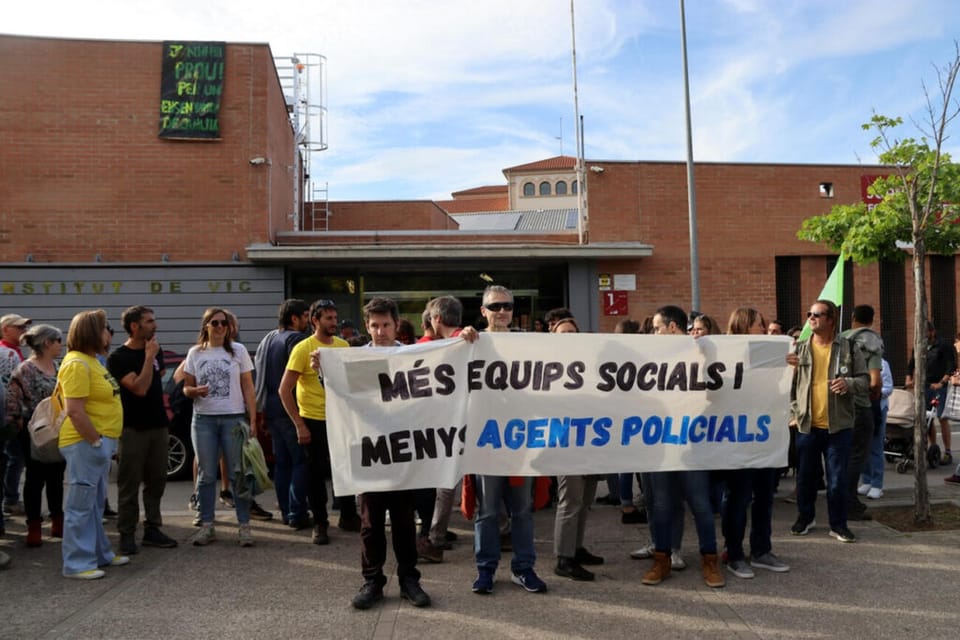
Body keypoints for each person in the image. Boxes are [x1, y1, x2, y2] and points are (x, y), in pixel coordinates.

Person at [331, 297, 431, 610]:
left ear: (396, 324)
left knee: (403, 520)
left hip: (402, 451)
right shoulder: (359, 358)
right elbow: (344, 395)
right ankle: (372, 581)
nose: (380, 331)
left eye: (385, 324)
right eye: (374, 325)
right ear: (367, 326)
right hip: (371, 450)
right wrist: (325, 371)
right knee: (371, 521)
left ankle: (409, 579)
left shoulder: (412, 356)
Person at [641, 305, 725, 588]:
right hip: (660, 444)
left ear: (672, 328)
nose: (654, 333)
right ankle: (661, 559)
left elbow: (721, 388)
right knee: (662, 504)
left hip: (692, 443)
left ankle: (709, 561)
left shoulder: (700, 353)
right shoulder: (650, 358)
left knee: (700, 504)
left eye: (657, 327)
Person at [472, 285, 547, 595]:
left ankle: (523, 568)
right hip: (486, 441)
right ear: (483, 311)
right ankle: (486, 570)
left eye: (508, 306)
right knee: (488, 511)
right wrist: (460, 338)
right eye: (495, 306)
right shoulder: (471, 343)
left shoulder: (526, 344)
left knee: (522, 510)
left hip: (520, 442)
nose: (502, 311)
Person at [787, 299, 869, 543]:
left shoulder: (848, 348)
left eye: (817, 314)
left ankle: (838, 524)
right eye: (809, 313)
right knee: (805, 478)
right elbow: (790, 387)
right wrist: (794, 413)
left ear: (831, 319)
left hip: (838, 426)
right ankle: (805, 518)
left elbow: (865, 381)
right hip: (806, 425)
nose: (811, 318)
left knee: (836, 480)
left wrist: (849, 383)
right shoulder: (799, 349)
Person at [280, 299, 360, 545]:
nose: (334, 323)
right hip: (313, 419)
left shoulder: (343, 345)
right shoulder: (303, 348)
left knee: (345, 470)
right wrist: (299, 425)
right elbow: (284, 390)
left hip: (341, 419)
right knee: (315, 476)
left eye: (335, 318)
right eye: (328, 318)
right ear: (315, 320)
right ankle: (321, 522)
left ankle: (348, 516)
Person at [720, 308, 790, 579]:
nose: (764, 329)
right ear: (743, 326)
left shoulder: (770, 355)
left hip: (764, 437)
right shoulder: (726, 355)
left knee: (764, 496)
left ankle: (761, 550)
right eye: (759, 325)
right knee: (738, 497)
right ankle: (734, 553)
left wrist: (788, 366)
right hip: (738, 439)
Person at [58, 309, 128, 579]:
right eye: (103, 328)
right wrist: (96, 441)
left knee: (95, 504)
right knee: (81, 504)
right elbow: (75, 410)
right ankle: (77, 563)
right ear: (90, 332)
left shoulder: (93, 360)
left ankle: (100, 554)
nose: (108, 333)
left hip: (98, 442)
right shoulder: (77, 363)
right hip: (85, 442)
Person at [181, 308, 258, 547]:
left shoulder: (238, 350)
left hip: (233, 419)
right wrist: (194, 391)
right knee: (206, 475)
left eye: (224, 323)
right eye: (215, 323)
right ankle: (206, 525)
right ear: (206, 326)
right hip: (204, 418)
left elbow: (248, 386)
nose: (220, 327)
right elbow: (186, 388)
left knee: (238, 474)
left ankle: (244, 526)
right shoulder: (195, 353)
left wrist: (253, 419)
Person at [107, 306, 178, 555]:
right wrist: (148, 358)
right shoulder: (119, 358)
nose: (154, 325)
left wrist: (152, 358)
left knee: (157, 480)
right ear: (134, 326)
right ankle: (127, 534)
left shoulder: (154, 350)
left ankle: (153, 529)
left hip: (158, 426)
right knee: (129, 483)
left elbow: (157, 379)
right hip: (132, 428)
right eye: (149, 321)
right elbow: (139, 388)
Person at [551, 315, 604, 581]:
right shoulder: (546, 368)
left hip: (590, 439)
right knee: (570, 499)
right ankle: (564, 558)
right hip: (565, 441)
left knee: (585, 498)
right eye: (563, 333)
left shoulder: (590, 365)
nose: (569, 337)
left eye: (573, 332)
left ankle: (576, 547)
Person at [5, 324, 66, 547]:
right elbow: (13, 401)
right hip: (33, 432)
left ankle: (58, 520)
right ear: (47, 343)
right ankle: (34, 527)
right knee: (34, 479)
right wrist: (21, 424)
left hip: (57, 430)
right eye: (58, 340)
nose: (61, 344)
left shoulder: (58, 366)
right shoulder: (25, 369)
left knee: (57, 478)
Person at [254, 299, 311, 529]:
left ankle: (287, 512)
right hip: (291, 408)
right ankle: (297, 513)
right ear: (294, 318)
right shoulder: (295, 340)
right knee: (301, 461)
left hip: (272, 408)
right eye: (306, 315)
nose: (308, 320)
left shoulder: (270, 339)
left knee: (282, 463)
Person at [841, 305, 884, 521]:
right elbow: (875, 380)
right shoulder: (871, 341)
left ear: (852, 317)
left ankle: (838, 498)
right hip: (860, 405)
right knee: (858, 454)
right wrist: (873, 392)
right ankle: (848, 503)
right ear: (872, 319)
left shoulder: (840, 339)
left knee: (841, 455)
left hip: (839, 406)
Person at [906, 321, 957, 465]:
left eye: (925, 332)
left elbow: (951, 365)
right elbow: (911, 364)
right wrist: (909, 380)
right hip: (924, 386)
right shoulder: (918, 346)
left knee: (941, 417)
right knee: (926, 417)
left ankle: (947, 452)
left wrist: (942, 382)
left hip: (939, 386)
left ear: (932, 332)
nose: (922, 335)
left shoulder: (943, 345)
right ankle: (932, 447)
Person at [1, 313, 31, 518]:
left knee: (14, 457)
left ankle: (10, 497)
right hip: (9, 415)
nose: (24, 331)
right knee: (14, 457)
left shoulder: (15, 352)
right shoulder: (7, 354)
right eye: (19, 328)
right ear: (5, 330)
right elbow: (10, 388)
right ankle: (10, 499)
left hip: (10, 414)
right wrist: (16, 413)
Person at [860, 358, 894, 497]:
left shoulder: (882, 364)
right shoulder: (859, 361)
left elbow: (888, 387)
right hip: (862, 409)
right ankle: (866, 480)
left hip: (877, 409)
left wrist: (873, 391)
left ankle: (877, 484)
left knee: (875, 446)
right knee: (863, 447)